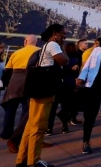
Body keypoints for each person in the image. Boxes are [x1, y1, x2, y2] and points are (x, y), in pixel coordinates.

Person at [15, 24, 68, 167]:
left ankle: (22, 159)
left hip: (38, 88)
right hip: (45, 89)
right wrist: (62, 46)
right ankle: (34, 161)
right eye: (63, 33)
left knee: (30, 125)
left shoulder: (46, 45)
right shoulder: (53, 45)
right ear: (55, 33)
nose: (65, 35)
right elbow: (64, 61)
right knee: (39, 126)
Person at [0, 35, 39, 148]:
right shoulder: (39, 51)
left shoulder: (16, 53)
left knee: (10, 110)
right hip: (31, 82)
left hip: (15, 82)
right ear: (36, 42)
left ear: (25, 42)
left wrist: (7, 84)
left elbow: (7, 70)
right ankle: (20, 135)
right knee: (27, 111)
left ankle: (6, 133)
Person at [46, 42, 79, 135]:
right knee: (66, 106)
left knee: (53, 107)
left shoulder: (56, 60)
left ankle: (49, 128)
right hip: (68, 84)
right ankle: (64, 126)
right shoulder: (75, 60)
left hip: (57, 84)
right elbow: (75, 73)